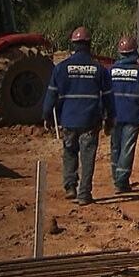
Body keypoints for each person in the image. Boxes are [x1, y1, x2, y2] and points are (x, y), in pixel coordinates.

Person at [42, 26, 112, 205]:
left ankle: (70, 186)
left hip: (68, 119)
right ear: (89, 44)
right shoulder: (99, 69)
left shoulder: (61, 68)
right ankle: (84, 194)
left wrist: (47, 115)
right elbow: (108, 97)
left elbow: (51, 94)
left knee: (69, 152)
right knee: (87, 157)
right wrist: (110, 117)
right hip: (90, 120)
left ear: (73, 44)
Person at [109, 36, 139, 193]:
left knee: (115, 147)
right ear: (134, 53)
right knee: (127, 148)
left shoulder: (110, 71)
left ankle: (117, 178)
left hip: (113, 115)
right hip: (132, 116)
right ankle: (121, 182)